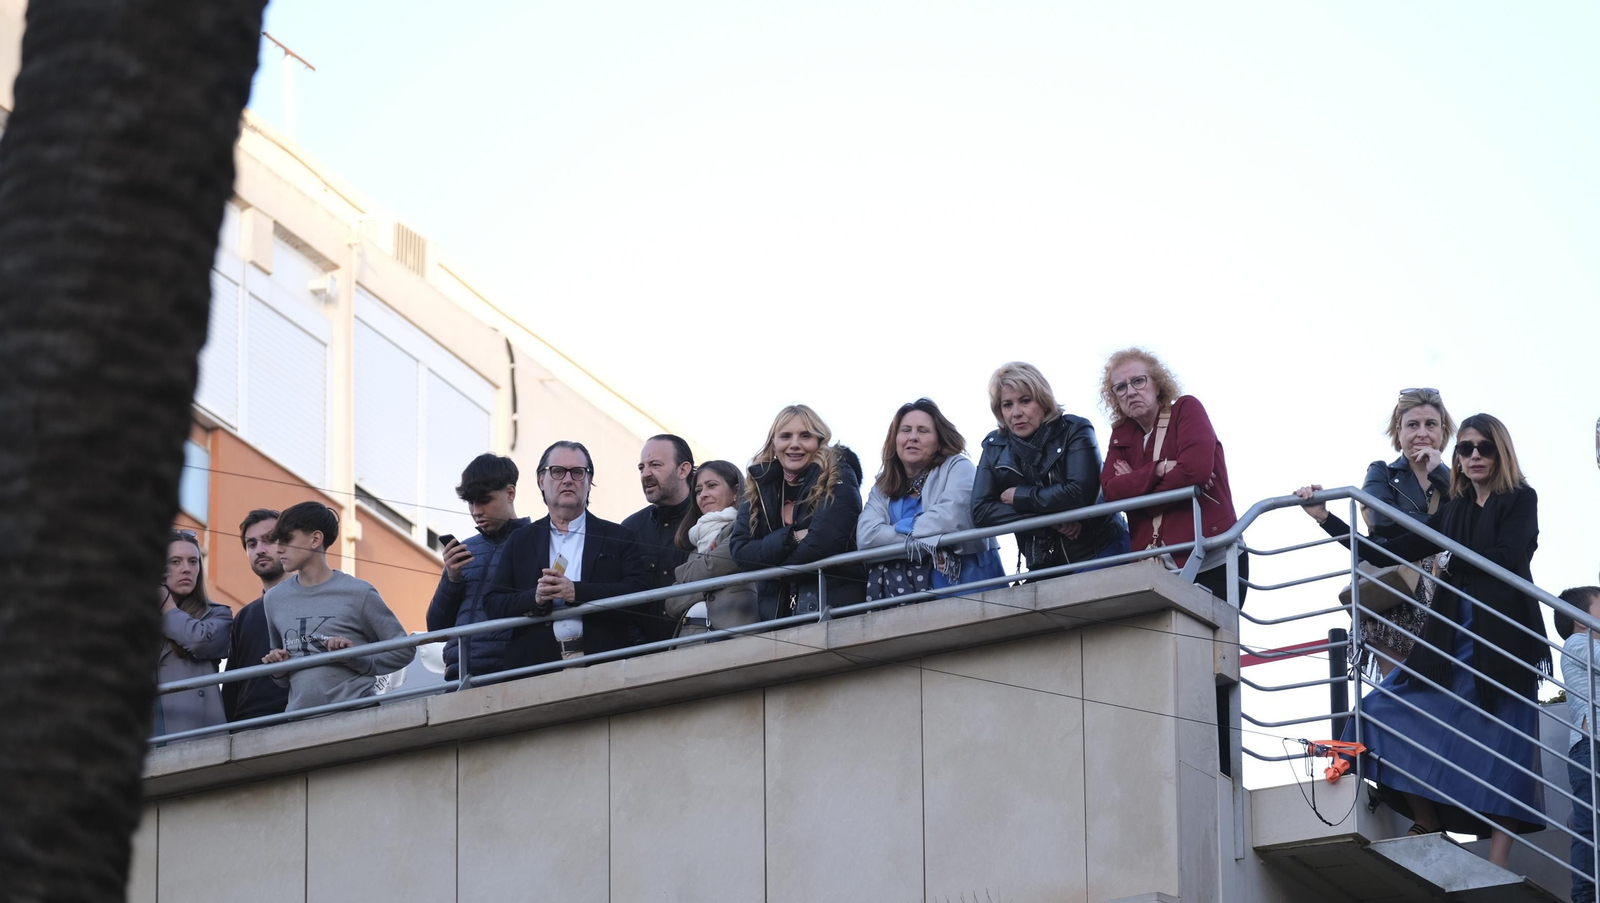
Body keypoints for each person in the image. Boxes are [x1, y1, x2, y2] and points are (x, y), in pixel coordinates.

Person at [1296, 413, 1546, 867]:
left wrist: (1449, 560)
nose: (1473, 456)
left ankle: (1499, 862)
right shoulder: (1453, 510)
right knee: (1381, 710)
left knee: (1504, 744)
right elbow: (1385, 550)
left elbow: (1511, 557)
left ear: (1500, 451)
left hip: (1503, 634)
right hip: (1451, 635)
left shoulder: (1519, 498)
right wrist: (1326, 519)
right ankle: (1428, 818)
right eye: (1465, 449)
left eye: (1482, 448)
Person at [483, 440, 650, 668]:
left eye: (578, 472)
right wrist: (536, 598)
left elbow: (639, 595)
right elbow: (493, 603)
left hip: (604, 664)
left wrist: (577, 592)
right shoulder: (521, 540)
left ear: (589, 481)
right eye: (558, 472)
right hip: (536, 669)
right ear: (541, 480)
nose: (568, 479)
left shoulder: (619, 536)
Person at [1098, 348, 1245, 603]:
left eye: (1138, 381)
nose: (1130, 391)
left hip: (1212, 556)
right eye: (1120, 387)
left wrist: (1136, 482)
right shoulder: (1121, 434)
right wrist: (1158, 469)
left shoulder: (1186, 410)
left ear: (1157, 383)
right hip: (1155, 563)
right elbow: (1111, 492)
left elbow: (1195, 471)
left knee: (1214, 641)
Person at [971, 364, 1129, 578]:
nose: (1016, 413)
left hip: (1099, 550)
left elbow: (1080, 493)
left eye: (1025, 401)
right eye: (1007, 405)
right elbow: (981, 511)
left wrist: (1021, 496)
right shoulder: (994, 446)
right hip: (1043, 566)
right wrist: (1051, 519)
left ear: (1043, 401)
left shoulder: (1075, 429)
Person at [262, 502, 415, 711]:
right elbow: (283, 672)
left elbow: (404, 651)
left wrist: (357, 658)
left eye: (286, 539)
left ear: (315, 539)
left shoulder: (359, 593)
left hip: (358, 715)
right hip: (300, 722)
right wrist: (277, 668)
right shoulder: (274, 599)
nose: (278, 549)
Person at [1349, 389, 1456, 677]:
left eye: (1430, 424)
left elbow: (1469, 518)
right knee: (1400, 689)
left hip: (1446, 588)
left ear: (1443, 431)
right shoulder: (1382, 471)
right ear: (1399, 430)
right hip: (1394, 585)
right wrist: (1442, 527)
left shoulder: (1458, 480)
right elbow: (1381, 520)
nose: (1422, 433)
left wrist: (1440, 474)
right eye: (1412, 425)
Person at [730, 404, 866, 620]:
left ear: (819, 441)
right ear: (774, 443)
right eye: (785, 436)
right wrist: (792, 537)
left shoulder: (838, 474)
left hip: (833, 612)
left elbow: (822, 545)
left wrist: (771, 568)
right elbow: (740, 552)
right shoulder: (758, 486)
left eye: (805, 436)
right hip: (775, 618)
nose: (795, 444)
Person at [860, 398, 1003, 601]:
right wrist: (932, 542)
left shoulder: (959, 467)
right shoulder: (883, 486)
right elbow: (867, 537)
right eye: (906, 430)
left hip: (968, 591)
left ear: (939, 441)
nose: (913, 437)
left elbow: (952, 518)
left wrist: (899, 530)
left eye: (923, 431)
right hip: (902, 601)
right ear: (895, 440)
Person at [425, 454, 532, 681]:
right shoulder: (464, 550)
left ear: (510, 493)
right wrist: (451, 579)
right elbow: (436, 629)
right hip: (459, 676)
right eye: (471, 503)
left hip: (514, 673)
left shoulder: (537, 542)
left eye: (483, 501)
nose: (476, 511)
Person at [664, 460, 760, 636]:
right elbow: (671, 603)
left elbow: (712, 566)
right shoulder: (695, 543)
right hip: (689, 639)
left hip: (734, 641)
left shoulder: (746, 529)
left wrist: (685, 577)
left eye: (712, 486)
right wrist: (714, 581)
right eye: (698, 490)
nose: (703, 495)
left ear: (736, 491)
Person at [153, 530, 233, 737]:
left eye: (193, 561)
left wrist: (166, 604)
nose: (186, 569)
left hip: (194, 731)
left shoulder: (217, 613)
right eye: (175, 562)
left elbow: (200, 641)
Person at [621, 434, 696, 640]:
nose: (646, 474)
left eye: (655, 465)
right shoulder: (630, 530)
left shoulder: (707, 522)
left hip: (697, 650)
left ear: (683, 470)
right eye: (641, 467)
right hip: (640, 656)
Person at [221, 509, 290, 723]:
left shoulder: (316, 600)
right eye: (251, 544)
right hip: (247, 728)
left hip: (301, 719)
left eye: (268, 540)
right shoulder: (244, 616)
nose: (259, 550)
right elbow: (232, 687)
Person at [1555, 585, 1600, 903]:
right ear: (1580, 619)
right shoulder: (1577, 643)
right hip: (1591, 749)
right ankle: (1585, 896)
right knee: (1589, 830)